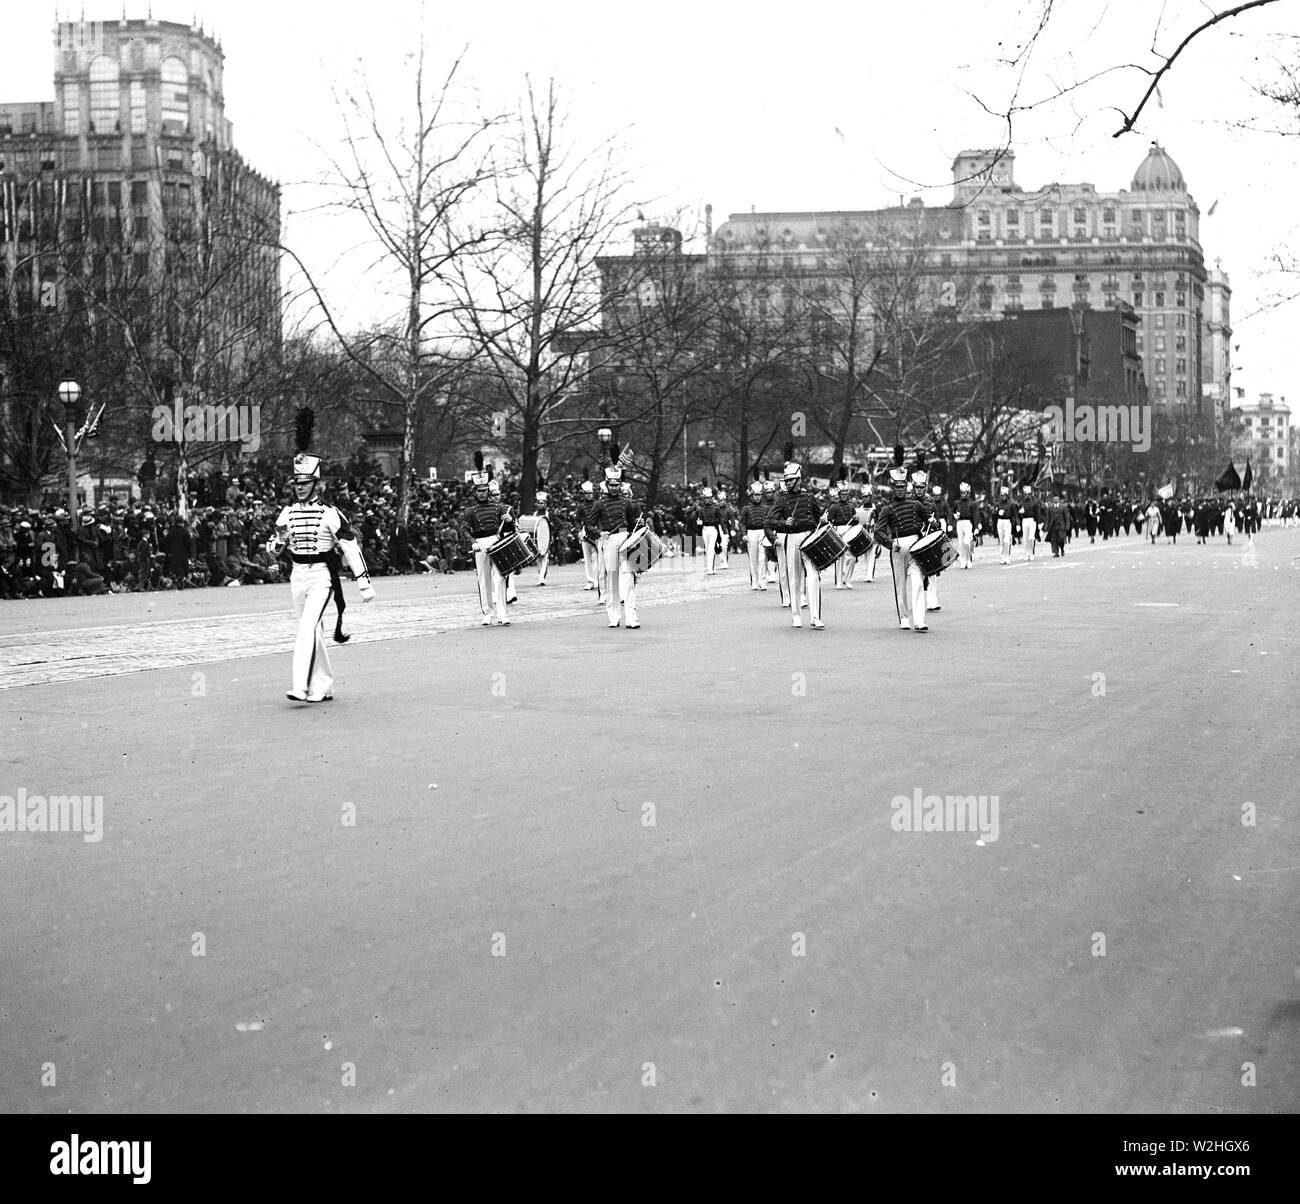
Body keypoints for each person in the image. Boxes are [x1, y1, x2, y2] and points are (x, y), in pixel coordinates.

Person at [269, 408, 375, 702]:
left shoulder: (330, 513)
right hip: (297, 575)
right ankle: (324, 685)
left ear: (316, 484)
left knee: (305, 628)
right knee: (312, 631)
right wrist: (278, 543)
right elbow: (274, 548)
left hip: (322, 576)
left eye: (305, 484)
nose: (300, 489)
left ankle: (300, 686)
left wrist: (364, 582)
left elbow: (350, 545)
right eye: (297, 484)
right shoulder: (286, 513)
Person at [874, 446, 934, 632]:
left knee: (918, 582)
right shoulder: (887, 509)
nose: (900, 489)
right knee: (900, 585)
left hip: (916, 546)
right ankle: (904, 617)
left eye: (903, 486)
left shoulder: (916, 504)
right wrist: (890, 543)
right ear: (892, 487)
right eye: (897, 486)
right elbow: (878, 531)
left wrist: (935, 523)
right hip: (898, 548)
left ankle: (920, 620)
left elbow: (930, 519)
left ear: (907, 486)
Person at [765, 447, 825, 629]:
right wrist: (784, 523)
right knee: (794, 577)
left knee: (813, 576)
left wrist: (820, 526)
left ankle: (815, 616)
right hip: (791, 539)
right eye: (787, 480)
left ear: (799, 480)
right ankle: (796, 615)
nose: (789, 483)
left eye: (792, 480)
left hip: (808, 537)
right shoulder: (781, 499)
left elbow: (817, 517)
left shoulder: (809, 497)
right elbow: (769, 521)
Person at [461, 457, 514, 626]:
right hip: (480, 544)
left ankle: (502, 614)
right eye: (479, 491)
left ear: (488, 491)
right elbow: (464, 529)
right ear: (475, 492)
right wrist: (472, 542)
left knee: (500, 579)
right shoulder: (470, 511)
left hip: (496, 542)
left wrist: (509, 520)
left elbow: (508, 530)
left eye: (485, 490)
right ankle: (487, 612)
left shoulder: (499, 508)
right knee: (483, 581)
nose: (482, 493)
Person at [591, 449, 641, 629]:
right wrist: (599, 533)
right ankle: (613, 616)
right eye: (611, 484)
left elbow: (633, 522)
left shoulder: (627, 503)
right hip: (609, 540)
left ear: (620, 484)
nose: (614, 487)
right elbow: (589, 525)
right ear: (606, 484)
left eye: (617, 484)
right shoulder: (599, 504)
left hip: (625, 539)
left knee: (628, 578)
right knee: (611, 579)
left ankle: (631, 617)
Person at [741, 477, 768, 591]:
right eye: (755, 495)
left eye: (759, 495)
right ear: (751, 495)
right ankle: (755, 581)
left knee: (762, 558)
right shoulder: (746, 509)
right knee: (753, 558)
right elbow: (742, 523)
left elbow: (768, 522)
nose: (757, 497)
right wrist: (743, 534)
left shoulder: (766, 508)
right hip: (751, 532)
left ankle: (762, 580)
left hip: (762, 532)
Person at [954, 481, 978, 569]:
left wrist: (976, 527)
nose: (963, 494)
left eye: (964, 493)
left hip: (968, 523)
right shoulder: (957, 503)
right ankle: (963, 560)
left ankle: (969, 559)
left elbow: (975, 516)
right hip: (959, 523)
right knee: (960, 543)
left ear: (968, 493)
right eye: (962, 493)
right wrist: (955, 515)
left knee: (966, 542)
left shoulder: (972, 503)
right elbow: (953, 511)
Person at [994, 486, 1016, 565]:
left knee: (1007, 539)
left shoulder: (1011, 504)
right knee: (1001, 540)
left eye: (1003, 495)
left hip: (1007, 522)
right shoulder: (998, 504)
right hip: (1000, 521)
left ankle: (1007, 556)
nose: (1002, 497)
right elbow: (994, 513)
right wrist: (997, 512)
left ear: (1006, 495)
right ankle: (1003, 556)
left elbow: (1014, 514)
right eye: (1001, 495)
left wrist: (1017, 524)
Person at [1019, 485, 1041, 561]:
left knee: (1031, 537)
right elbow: (1018, 511)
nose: (1025, 495)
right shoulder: (1022, 502)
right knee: (1025, 538)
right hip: (1024, 520)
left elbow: (1037, 513)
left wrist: (1039, 523)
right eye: (1025, 494)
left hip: (1032, 520)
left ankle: (1031, 553)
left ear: (1030, 494)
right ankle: (1026, 553)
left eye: (1027, 494)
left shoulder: (1034, 502)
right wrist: (1020, 512)